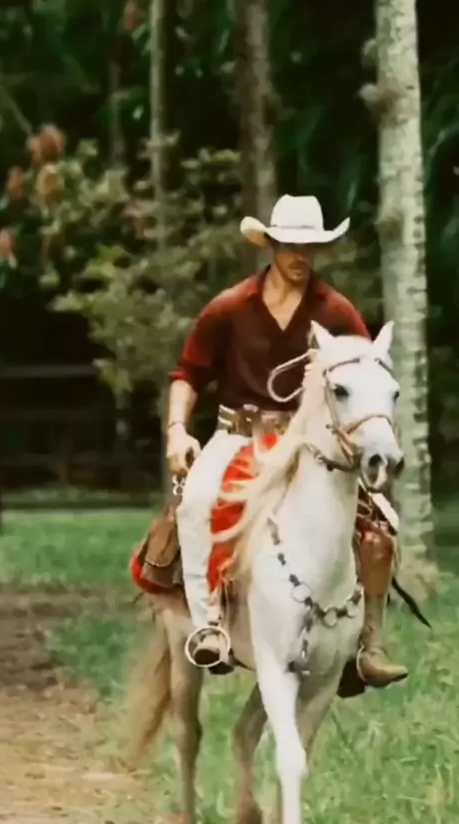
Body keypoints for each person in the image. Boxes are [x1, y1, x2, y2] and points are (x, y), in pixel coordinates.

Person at [166, 194, 408, 687]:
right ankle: (209, 626)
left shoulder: (335, 310)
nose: (301, 256)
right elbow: (187, 373)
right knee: (196, 503)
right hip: (238, 436)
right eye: (292, 245)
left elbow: (367, 372)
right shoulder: (230, 307)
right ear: (271, 245)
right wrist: (176, 430)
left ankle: (368, 645)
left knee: (381, 526)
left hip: (308, 443)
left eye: (310, 246)